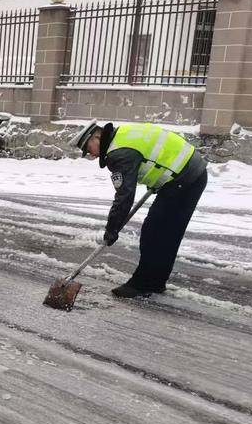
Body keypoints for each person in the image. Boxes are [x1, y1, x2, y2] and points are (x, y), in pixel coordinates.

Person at [72, 120, 207, 298]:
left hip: (185, 179)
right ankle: (155, 282)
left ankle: (142, 284)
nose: (91, 155)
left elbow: (124, 196)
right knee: (165, 232)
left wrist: (112, 228)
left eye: (88, 149)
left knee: (155, 232)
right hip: (188, 173)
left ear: (96, 136)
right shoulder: (123, 135)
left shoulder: (118, 153)